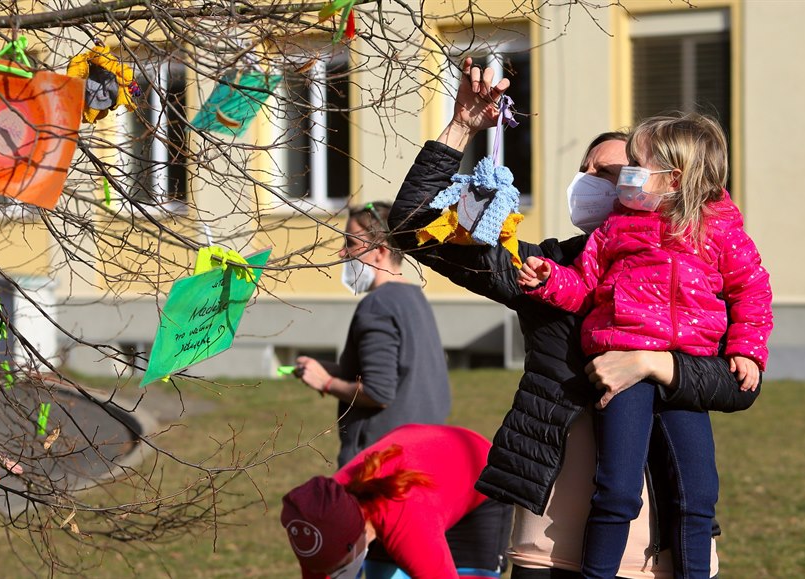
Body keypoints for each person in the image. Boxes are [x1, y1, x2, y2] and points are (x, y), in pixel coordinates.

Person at [388, 59, 760, 579]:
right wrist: (461, 129)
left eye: (607, 173)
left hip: (658, 539)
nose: (588, 182)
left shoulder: (700, 266)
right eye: (584, 170)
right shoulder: (550, 267)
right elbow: (410, 229)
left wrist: (651, 366)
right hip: (548, 531)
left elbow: (737, 384)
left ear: (667, 183)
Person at [516, 112, 772, 578]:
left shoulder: (720, 231)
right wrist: (549, 280)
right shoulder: (615, 229)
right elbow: (584, 288)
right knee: (616, 488)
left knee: (699, 493)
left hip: (684, 374)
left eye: (636, 163)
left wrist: (747, 349)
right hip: (619, 365)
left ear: (674, 178)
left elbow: (751, 292)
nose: (624, 176)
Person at [292, 201, 451, 468]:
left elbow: (378, 392)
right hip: (420, 456)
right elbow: (397, 373)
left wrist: (326, 383)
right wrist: (326, 370)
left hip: (379, 466)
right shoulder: (414, 297)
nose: (342, 253)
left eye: (351, 244)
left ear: (379, 251)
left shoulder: (378, 306)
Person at [281, 424, 513, 579]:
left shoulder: (407, 519)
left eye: (339, 568)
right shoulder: (315, 518)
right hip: (417, 479)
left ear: (357, 539)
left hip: (477, 476)